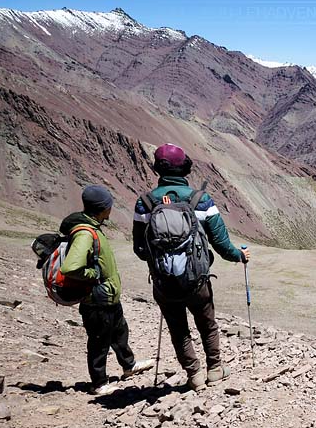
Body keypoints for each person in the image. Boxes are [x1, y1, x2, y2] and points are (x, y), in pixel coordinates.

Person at [132, 144, 250, 391]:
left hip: (164, 283)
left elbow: (140, 249)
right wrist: (240, 256)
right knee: (207, 323)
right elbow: (221, 244)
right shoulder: (201, 200)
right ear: (184, 167)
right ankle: (215, 369)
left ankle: (194, 374)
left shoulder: (144, 203)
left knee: (178, 329)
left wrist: (164, 262)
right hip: (197, 281)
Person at [60, 185, 153, 396]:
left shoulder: (93, 227)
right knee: (99, 341)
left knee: (119, 331)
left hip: (108, 296)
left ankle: (129, 366)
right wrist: (94, 275)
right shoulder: (85, 233)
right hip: (97, 298)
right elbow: (70, 267)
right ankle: (99, 383)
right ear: (103, 209)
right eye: (109, 206)